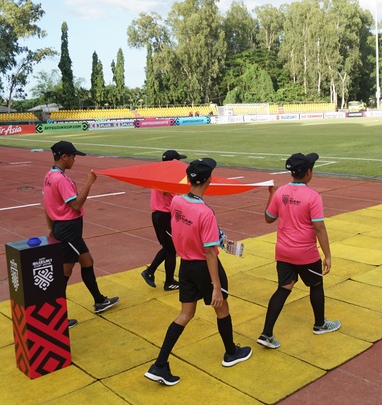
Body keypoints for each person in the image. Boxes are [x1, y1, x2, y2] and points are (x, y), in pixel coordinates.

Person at [145, 158, 252, 386]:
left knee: (185, 314)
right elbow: (210, 253)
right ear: (208, 180)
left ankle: (160, 364)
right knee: (222, 308)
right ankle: (231, 353)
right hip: (203, 266)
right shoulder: (205, 213)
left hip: (185, 265)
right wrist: (215, 286)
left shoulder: (176, 202)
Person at [257, 152, 341, 350]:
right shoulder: (313, 196)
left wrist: (271, 194)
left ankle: (266, 333)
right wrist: (327, 255)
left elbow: (269, 218)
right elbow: (319, 228)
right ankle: (320, 324)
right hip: (305, 252)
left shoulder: (280, 192)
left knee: (283, 289)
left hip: (283, 251)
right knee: (316, 285)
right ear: (308, 173)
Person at [43, 141, 119, 329]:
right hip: (69, 230)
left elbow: (46, 203)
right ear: (64, 157)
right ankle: (57, 319)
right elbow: (76, 205)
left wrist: (50, 227)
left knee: (87, 262)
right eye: (73, 156)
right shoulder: (60, 179)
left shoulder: (50, 175)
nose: (75, 160)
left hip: (65, 229)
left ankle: (99, 300)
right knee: (64, 274)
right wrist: (89, 183)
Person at [141, 150, 187, 291]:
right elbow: (165, 191)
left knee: (168, 248)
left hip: (159, 214)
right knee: (171, 249)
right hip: (164, 215)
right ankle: (168, 281)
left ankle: (150, 272)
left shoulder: (159, 172)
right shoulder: (167, 174)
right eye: (178, 161)